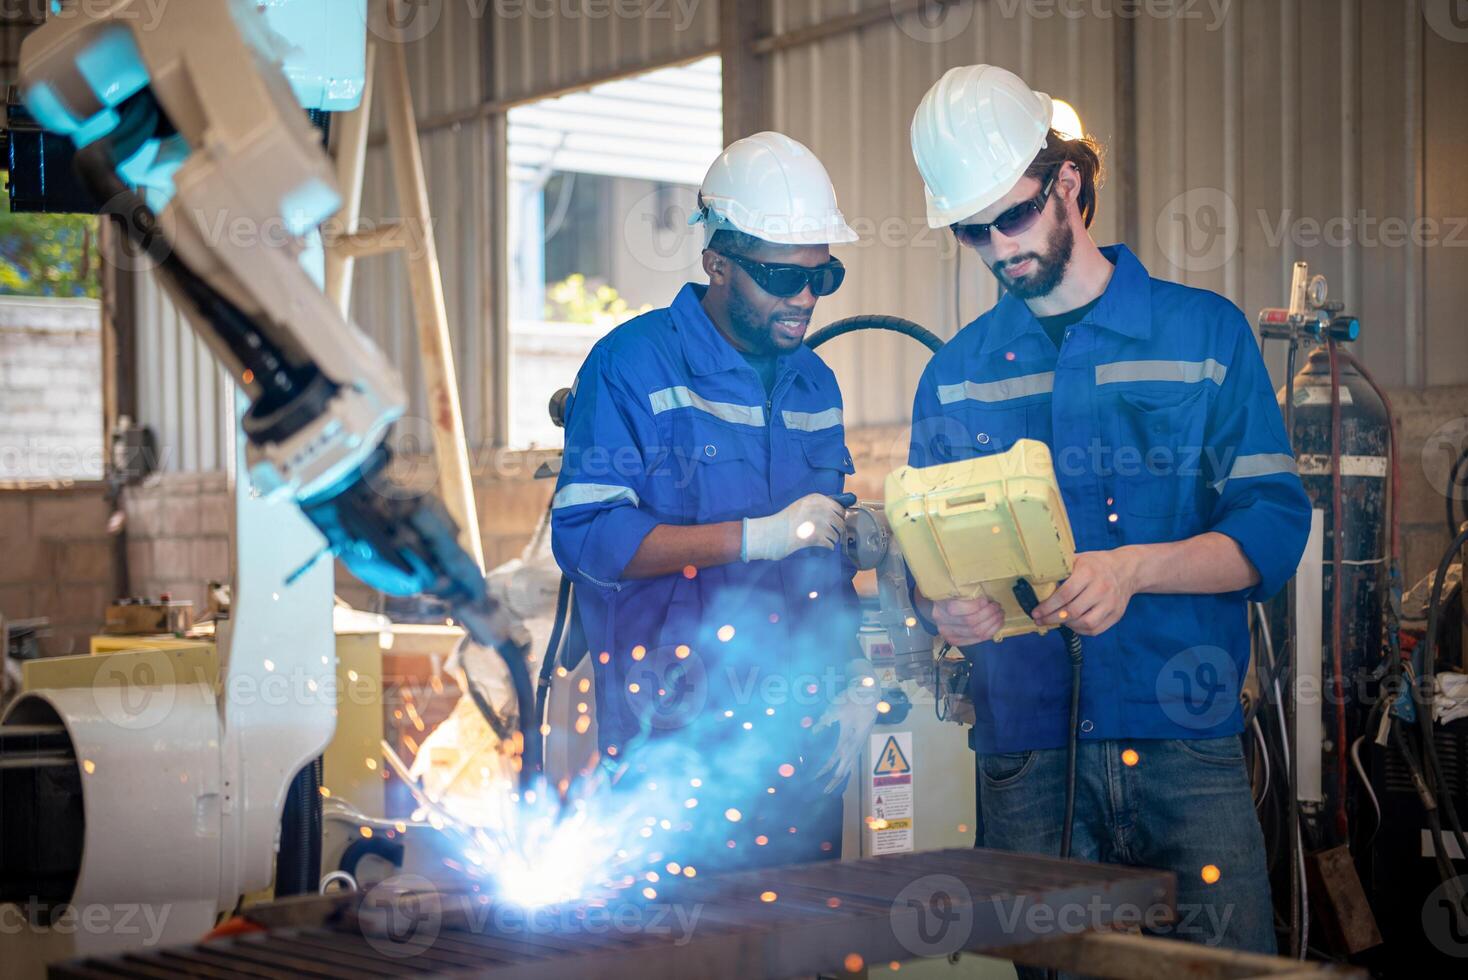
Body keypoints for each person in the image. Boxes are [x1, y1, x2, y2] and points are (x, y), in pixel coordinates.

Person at [906, 64, 1310, 955]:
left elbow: (1274, 525)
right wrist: (944, 608)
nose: (1000, 248)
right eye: (973, 232)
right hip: (1026, 762)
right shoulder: (956, 373)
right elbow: (922, 556)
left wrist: (1134, 570)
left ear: (1068, 183)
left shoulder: (1203, 336)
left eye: (1013, 215)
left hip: (1185, 747)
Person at [551, 132, 869, 872]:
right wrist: (753, 538)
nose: (804, 299)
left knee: (798, 945)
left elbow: (827, 558)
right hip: (669, 738)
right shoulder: (630, 366)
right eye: (779, 277)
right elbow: (589, 539)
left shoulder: (814, 384)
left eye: (823, 278)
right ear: (717, 262)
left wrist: (854, 673)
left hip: (801, 736)